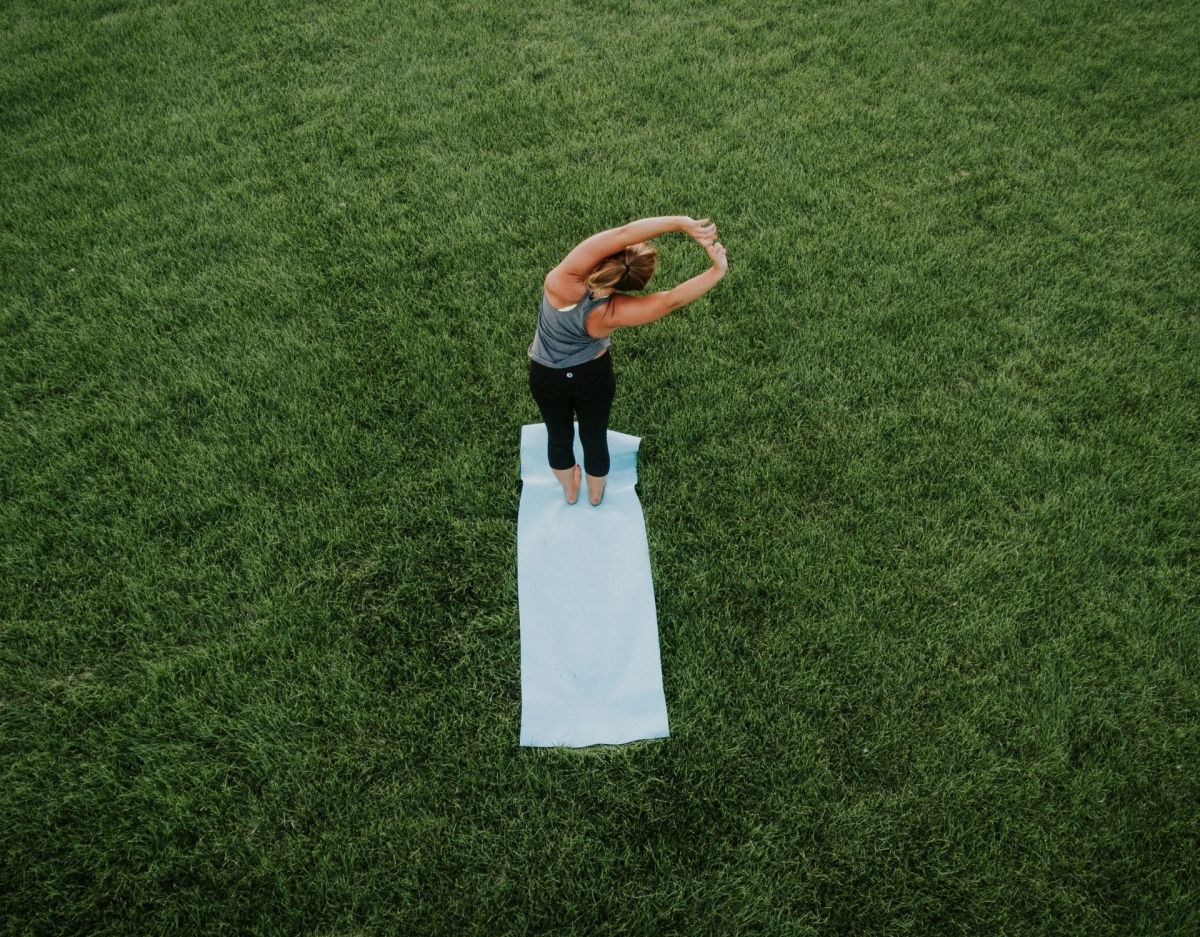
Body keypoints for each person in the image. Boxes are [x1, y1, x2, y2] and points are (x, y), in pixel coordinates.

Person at [527, 215, 728, 505]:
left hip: (546, 377)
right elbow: (672, 299)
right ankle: (595, 495)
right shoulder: (611, 313)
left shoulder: (562, 279)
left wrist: (682, 223)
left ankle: (571, 491)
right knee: (594, 437)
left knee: (558, 436)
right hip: (592, 378)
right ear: (633, 284)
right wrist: (716, 271)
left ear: (610, 256)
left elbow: (624, 233)